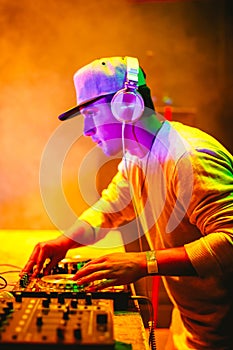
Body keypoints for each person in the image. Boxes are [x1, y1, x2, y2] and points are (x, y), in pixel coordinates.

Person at [21, 56, 233, 349]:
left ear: (128, 105)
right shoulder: (138, 155)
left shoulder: (190, 158)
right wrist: (62, 242)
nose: (85, 130)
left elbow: (230, 241)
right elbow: (110, 208)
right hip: (194, 326)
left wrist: (143, 262)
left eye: (92, 113)